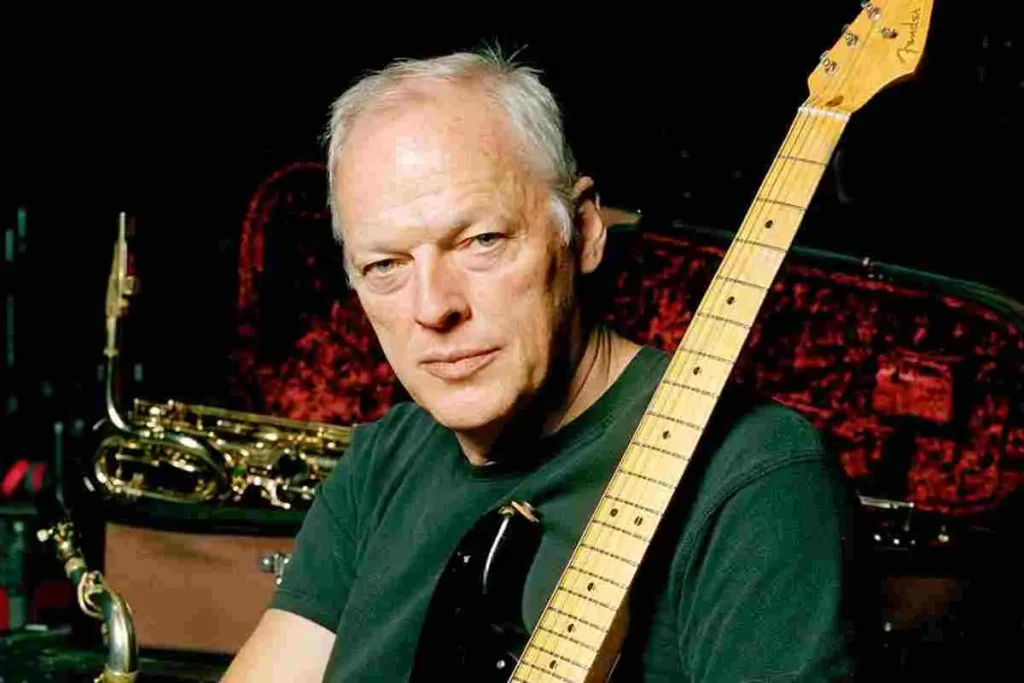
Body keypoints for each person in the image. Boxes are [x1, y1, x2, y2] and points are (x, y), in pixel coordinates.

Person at [222, 47, 860, 682]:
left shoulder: (757, 476)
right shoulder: (385, 461)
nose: (433, 307)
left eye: (481, 241)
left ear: (581, 232)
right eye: (385, 265)